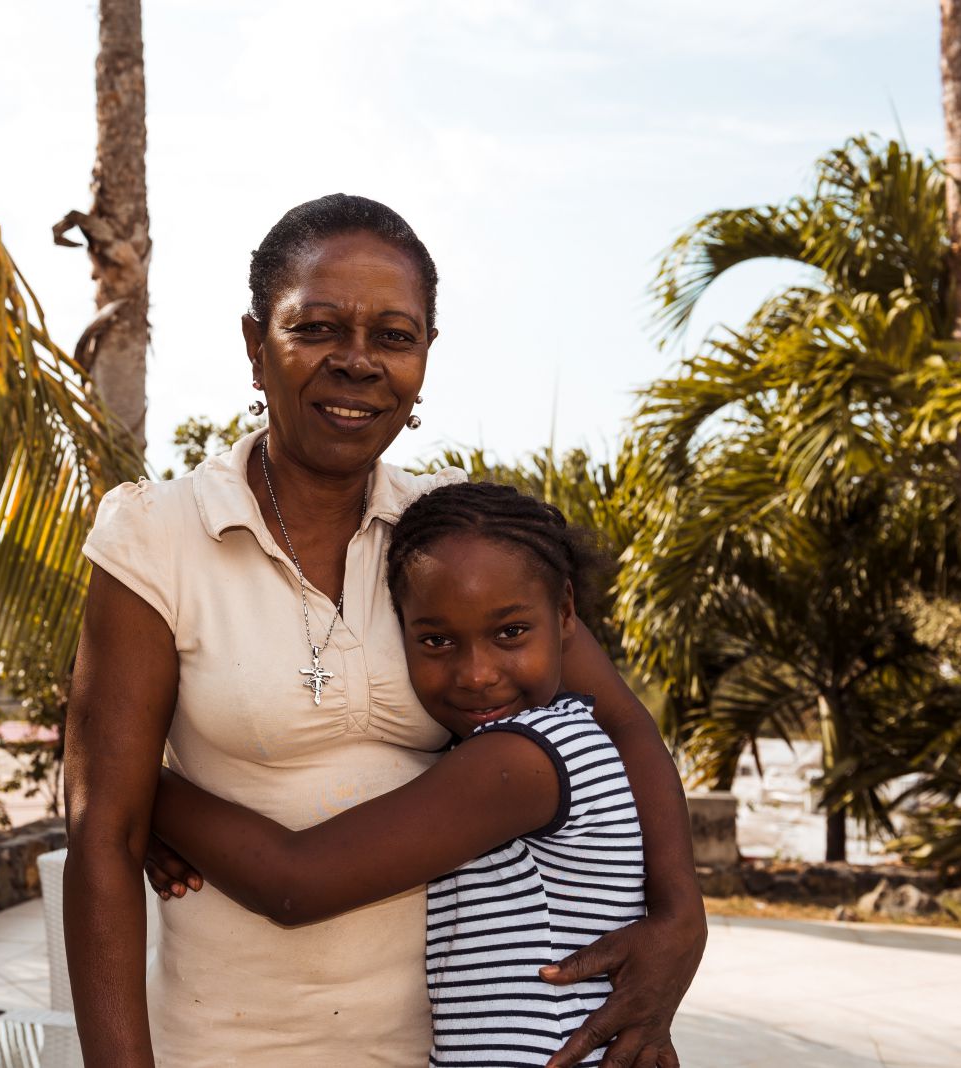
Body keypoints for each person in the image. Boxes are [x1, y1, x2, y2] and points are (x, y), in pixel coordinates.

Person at [63, 193, 705, 1067]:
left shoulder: (455, 543)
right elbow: (103, 833)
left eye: (394, 337)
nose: (358, 362)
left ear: (425, 355)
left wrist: (680, 920)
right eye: (318, 328)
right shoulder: (158, 536)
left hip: (453, 1049)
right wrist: (132, 800)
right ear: (256, 345)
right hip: (226, 1044)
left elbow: (623, 722)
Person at [150, 481, 644, 1067]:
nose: (477, 674)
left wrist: (143, 788)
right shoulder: (534, 743)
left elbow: (294, 883)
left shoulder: (524, 761)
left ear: (564, 612)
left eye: (509, 632)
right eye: (437, 640)